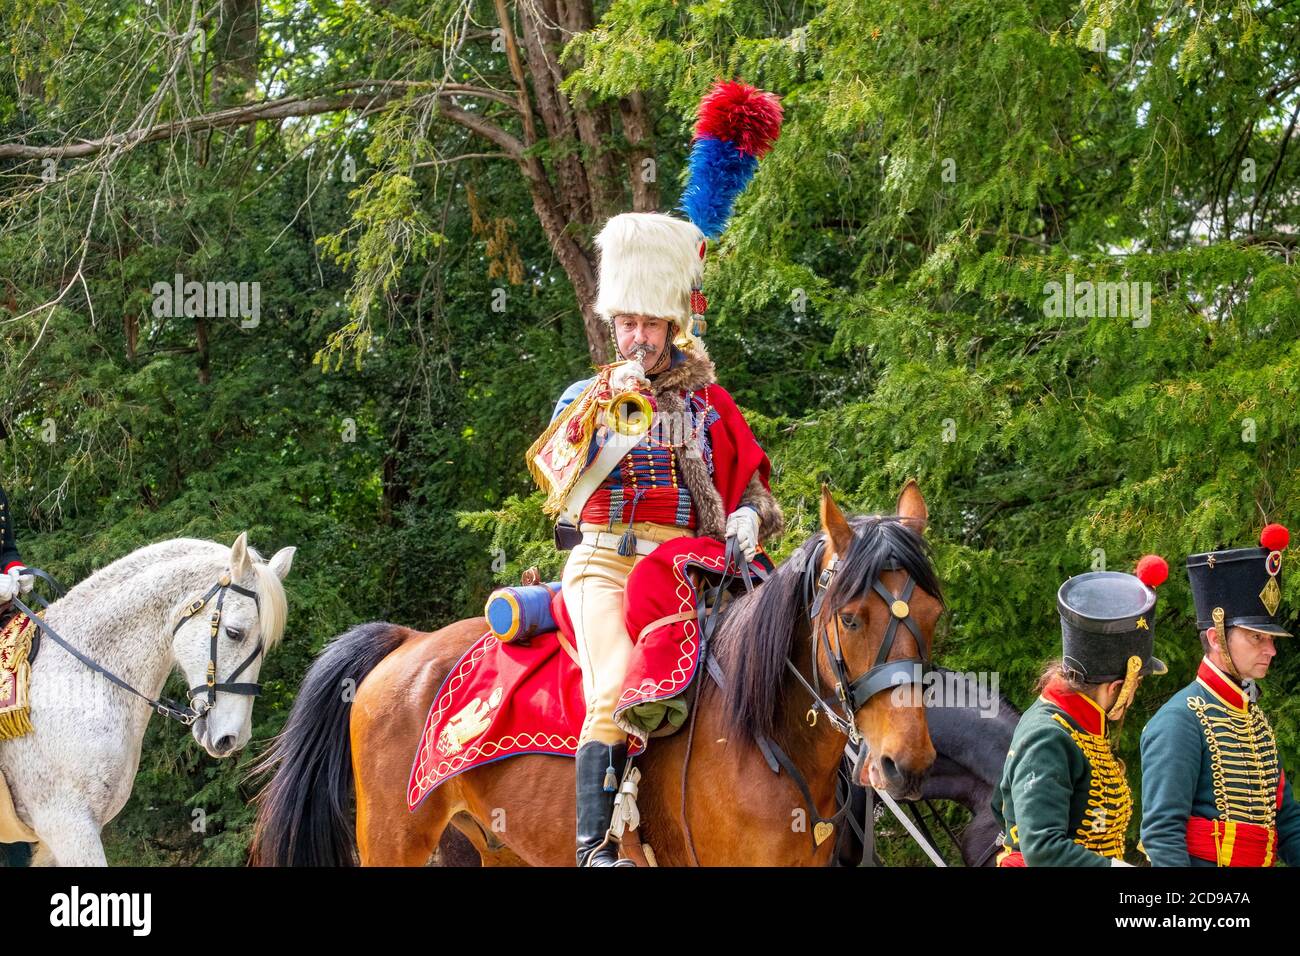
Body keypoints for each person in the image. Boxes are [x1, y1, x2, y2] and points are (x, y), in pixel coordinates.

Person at [527, 211, 783, 866]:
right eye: (626, 324)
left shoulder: (708, 403)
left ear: (673, 325)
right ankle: (597, 848)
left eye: (648, 323)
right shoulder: (584, 396)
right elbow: (552, 476)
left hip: (690, 569)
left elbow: (748, 484)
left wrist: (749, 515)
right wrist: (606, 411)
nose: (636, 338)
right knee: (613, 687)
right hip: (605, 565)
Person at [1139, 523, 1300, 866]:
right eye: (1257, 637)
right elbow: (1162, 835)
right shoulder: (1179, 720)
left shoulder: (1253, 717)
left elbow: (1287, 824)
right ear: (1216, 638)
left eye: (1270, 639)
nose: (1271, 650)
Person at [992, 556, 1169, 866]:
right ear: (1117, 686)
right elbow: (1043, 848)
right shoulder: (1049, 735)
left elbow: (1000, 801)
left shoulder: (1077, 722)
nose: (1135, 693)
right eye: (1136, 684)